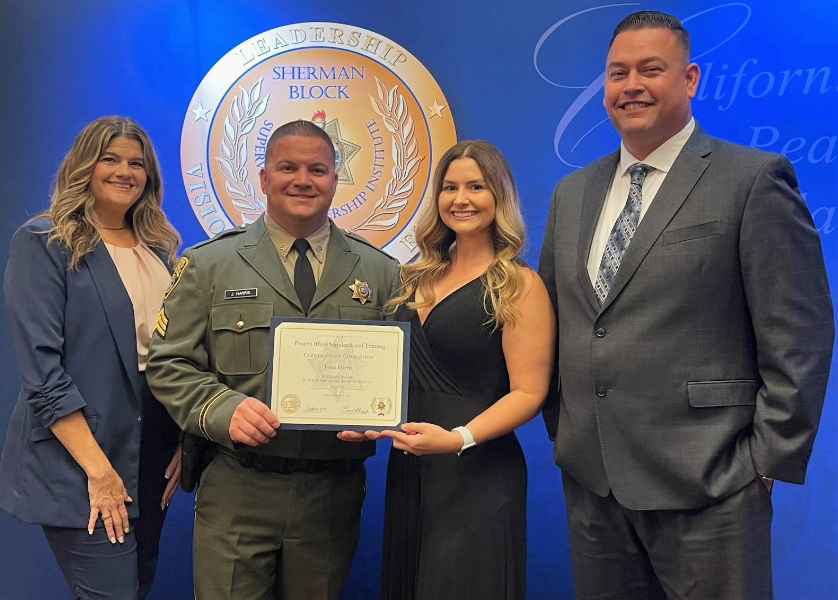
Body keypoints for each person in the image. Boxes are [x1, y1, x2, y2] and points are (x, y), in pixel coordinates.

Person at [538, 10, 834, 600]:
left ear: (691, 78)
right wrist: (568, 432)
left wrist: (764, 464)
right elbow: (562, 323)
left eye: (652, 69)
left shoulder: (752, 180)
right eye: (617, 72)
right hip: (593, 485)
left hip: (713, 483)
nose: (632, 85)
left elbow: (799, 334)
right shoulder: (573, 193)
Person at [145, 119, 400, 600]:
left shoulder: (381, 272)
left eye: (317, 169)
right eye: (288, 167)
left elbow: (402, 372)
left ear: (334, 179)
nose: (303, 180)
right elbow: (168, 364)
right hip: (239, 485)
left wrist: (382, 414)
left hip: (331, 493)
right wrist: (223, 409)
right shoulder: (208, 264)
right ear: (264, 179)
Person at [0, 115, 183, 599]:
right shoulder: (45, 242)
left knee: (138, 585)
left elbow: (173, 357)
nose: (125, 171)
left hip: (152, 453)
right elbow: (43, 373)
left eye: (136, 163)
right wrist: (100, 472)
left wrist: (184, 438)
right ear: (85, 165)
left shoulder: (159, 249)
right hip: (82, 458)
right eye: (111, 159)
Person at [366, 140, 555, 600]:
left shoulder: (517, 283)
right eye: (449, 187)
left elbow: (529, 392)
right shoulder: (413, 277)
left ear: (500, 196)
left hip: (477, 471)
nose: (460, 199)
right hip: (412, 466)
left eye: (476, 186)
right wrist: (357, 417)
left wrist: (457, 439)